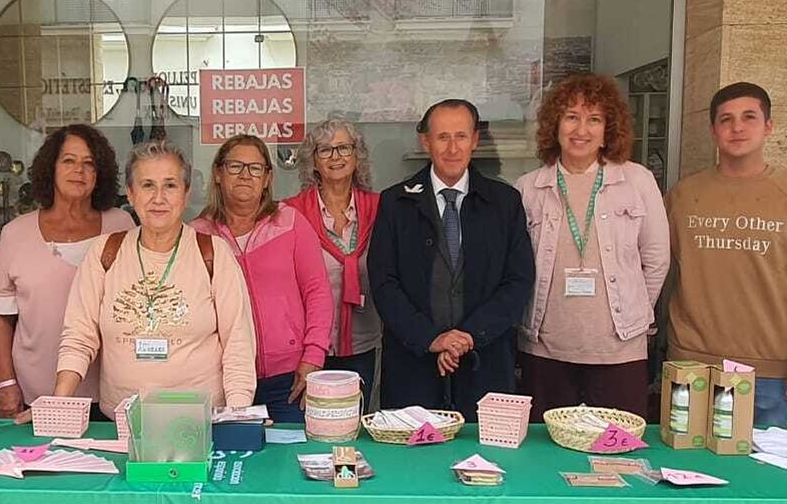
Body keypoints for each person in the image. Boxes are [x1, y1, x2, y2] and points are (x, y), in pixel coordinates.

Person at [665, 81, 787, 428]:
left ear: (768, 127)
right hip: (691, 365)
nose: (737, 128)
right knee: (686, 471)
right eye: (726, 119)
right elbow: (657, 269)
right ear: (713, 130)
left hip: (768, 371)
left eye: (749, 117)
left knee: (762, 476)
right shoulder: (683, 196)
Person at [47, 142, 256, 415]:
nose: (159, 198)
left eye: (170, 185)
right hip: (122, 423)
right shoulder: (105, 252)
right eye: (147, 185)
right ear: (131, 195)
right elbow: (79, 336)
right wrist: (57, 404)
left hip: (199, 422)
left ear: (186, 193)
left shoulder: (213, 253)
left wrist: (238, 415)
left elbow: (238, 344)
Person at [514, 75, 669, 420]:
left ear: (607, 130)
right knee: (546, 452)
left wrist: (635, 312)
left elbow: (656, 260)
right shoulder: (529, 188)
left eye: (594, 119)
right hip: (546, 347)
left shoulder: (637, 181)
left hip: (618, 348)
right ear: (554, 125)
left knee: (618, 447)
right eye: (571, 117)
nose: (581, 129)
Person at [368, 99, 534, 421]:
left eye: (461, 136)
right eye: (443, 137)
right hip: (413, 366)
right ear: (425, 141)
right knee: (414, 464)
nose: (453, 147)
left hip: (485, 366)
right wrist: (432, 339)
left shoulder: (505, 202)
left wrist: (468, 337)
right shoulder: (395, 202)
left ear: (475, 140)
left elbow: (518, 281)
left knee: (487, 462)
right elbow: (384, 282)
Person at [0, 125, 134, 418]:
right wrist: (7, 383)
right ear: (50, 168)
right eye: (68, 160)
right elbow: (0, 315)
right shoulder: (16, 233)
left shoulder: (122, 225)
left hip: (110, 391)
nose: (78, 170)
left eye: (88, 163)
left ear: (99, 173)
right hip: (37, 391)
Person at [192, 134, 331, 422]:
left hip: (289, 379)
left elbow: (317, 291)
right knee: (229, 461)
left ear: (267, 178)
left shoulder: (290, 222)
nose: (245, 175)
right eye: (235, 167)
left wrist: (313, 357)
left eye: (255, 168)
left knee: (287, 460)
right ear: (218, 173)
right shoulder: (197, 234)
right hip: (221, 379)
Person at [284, 118, 383, 410]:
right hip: (309, 346)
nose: (336, 157)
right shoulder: (290, 213)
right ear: (312, 161)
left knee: (357, 421)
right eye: (325, 150)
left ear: (357, 156)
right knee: (312, 422)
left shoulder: (380, 208)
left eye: (344, 148)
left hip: (365, 341)